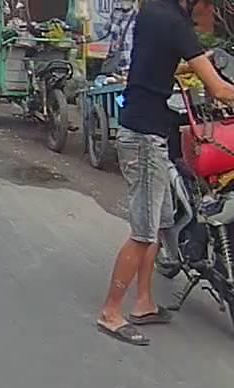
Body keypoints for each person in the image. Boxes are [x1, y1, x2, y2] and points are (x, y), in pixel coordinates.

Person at [96, 0, 234, 346]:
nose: (210, 12)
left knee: (160, 223)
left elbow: (159, 61)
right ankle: (111, 312)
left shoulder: (154, 10)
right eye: (208, 5)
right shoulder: (175, 22)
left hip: (145, 129)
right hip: (144, 137)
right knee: (144, 232)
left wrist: (189, 69)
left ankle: (144, 303)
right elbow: (219, 89)